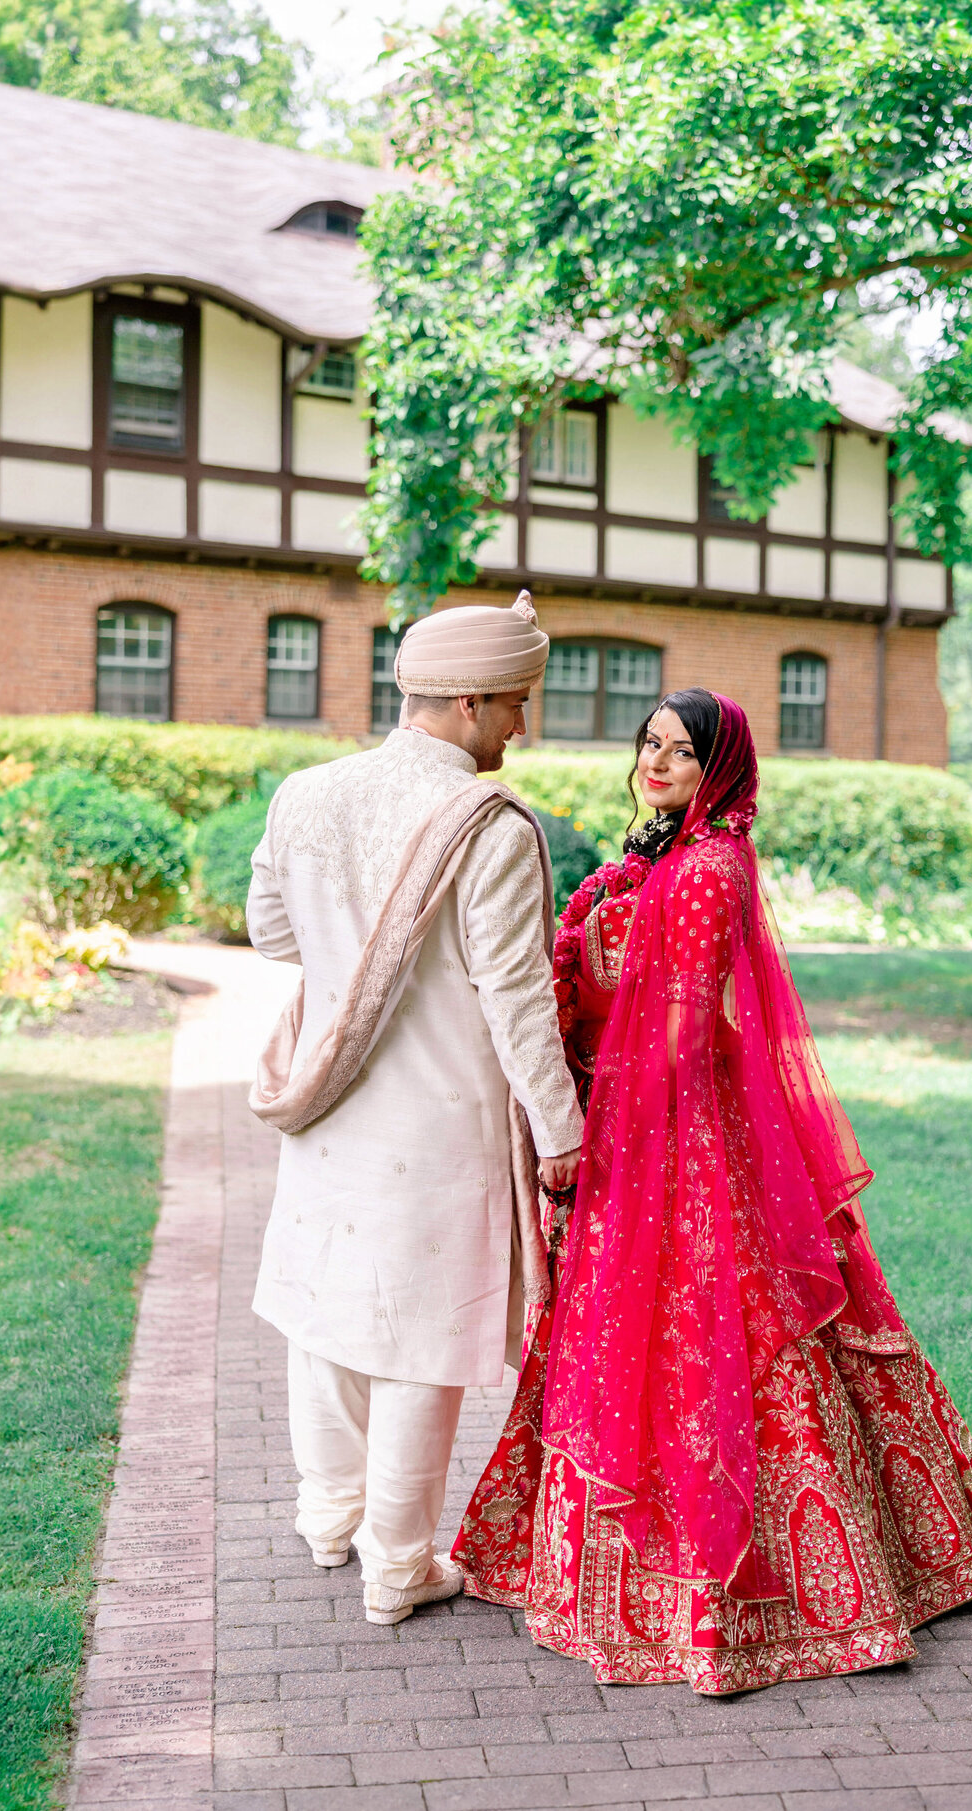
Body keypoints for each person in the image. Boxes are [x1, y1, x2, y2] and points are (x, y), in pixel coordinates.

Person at [454, 688, 972, 1692]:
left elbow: (679, 1031)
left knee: (721, 1329)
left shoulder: (712, 866)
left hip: (683, 1136)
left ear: (719, 767)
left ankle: (757, 1605)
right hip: (638, 1124)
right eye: (650, 744)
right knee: (632, 1333)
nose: (658, 762)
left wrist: (598, 1120)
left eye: (680, 750)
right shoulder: (659, 858)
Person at [245, 594, 583, 1626]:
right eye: (517, 704)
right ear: (472, 698)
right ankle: (396, 1564)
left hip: (331, 1098)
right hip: (439, 1118)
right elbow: (517, 992)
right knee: (421, 1339)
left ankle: (327, 1513)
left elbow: (270, 933)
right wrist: (563, 1129)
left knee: (327, 1312)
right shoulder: (488, 821)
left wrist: (355, 952)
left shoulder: (309, 790)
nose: (521, 728)